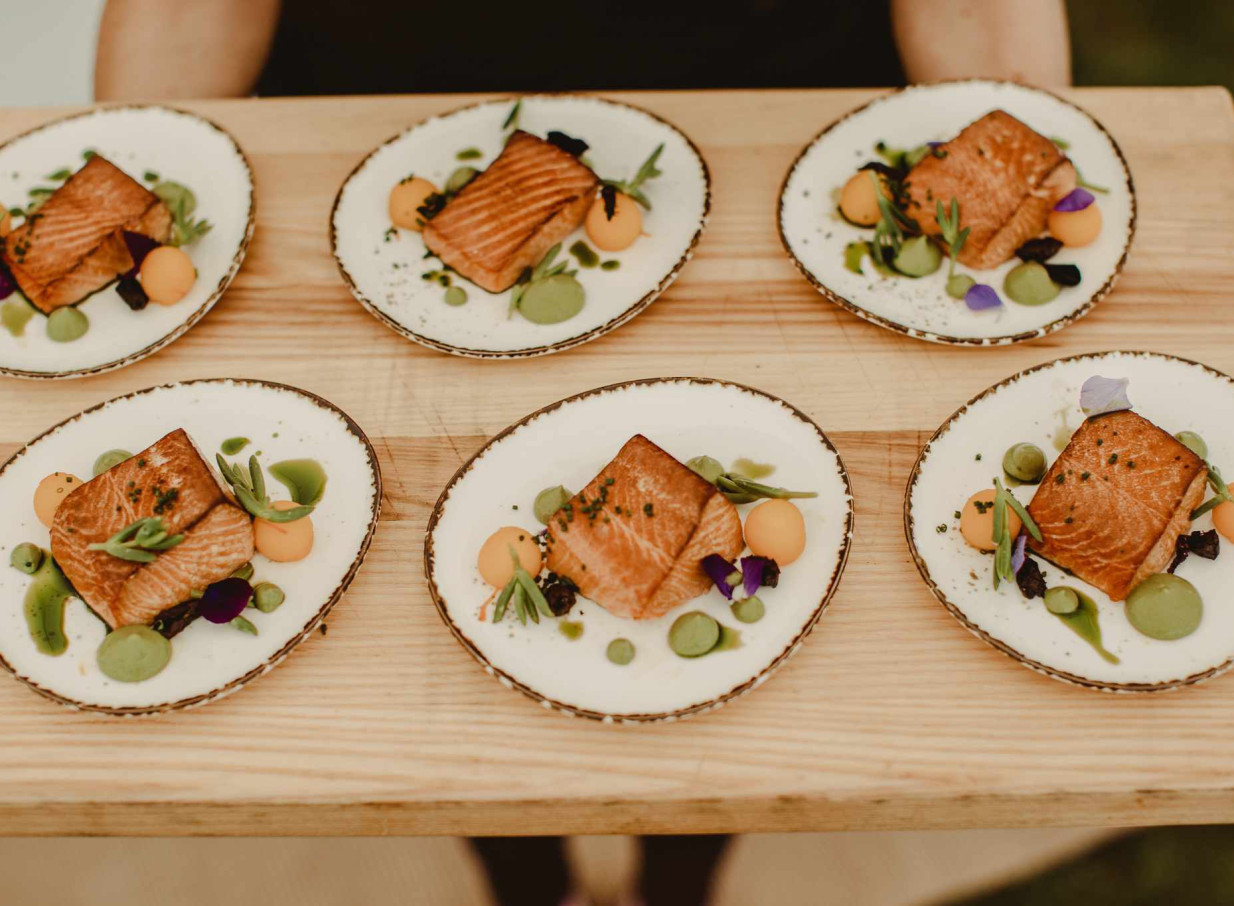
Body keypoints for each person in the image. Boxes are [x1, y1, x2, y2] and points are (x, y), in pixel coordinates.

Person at [77, 2, 1071, 904]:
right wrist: (122, 193)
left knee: (728, 649)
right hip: (371, 112)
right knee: (429, 617)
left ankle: (680, 875)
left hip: (767, 120)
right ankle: (525, 876)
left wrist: (1018, 168)